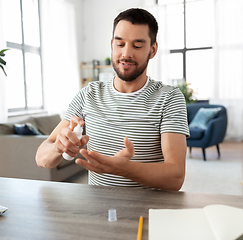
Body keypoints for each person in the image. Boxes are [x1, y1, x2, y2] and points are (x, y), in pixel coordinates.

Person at [36, 8, 189, 190]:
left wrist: (125, 169)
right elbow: (41, 158)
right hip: (98, 211)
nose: (126, 54)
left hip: (147, 213)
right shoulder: (88, 94)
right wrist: (59, 147)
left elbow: (175, 177)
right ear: (111, 45)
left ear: (153, 50)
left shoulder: (169, 98)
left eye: (137, 45)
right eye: (120, 44)